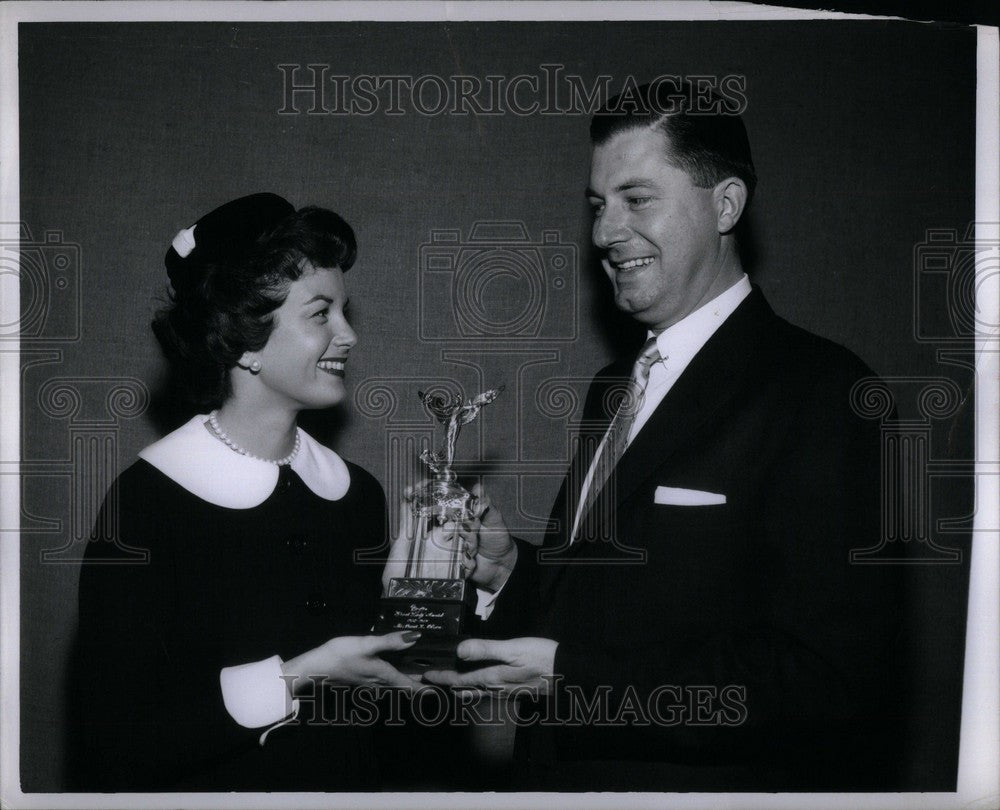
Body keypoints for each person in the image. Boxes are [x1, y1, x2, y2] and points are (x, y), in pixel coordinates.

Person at [425, 83, 906, 791]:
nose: (603, 233)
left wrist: (571, 678)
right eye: (597, 206)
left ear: (726, 205)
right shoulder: (613, 387)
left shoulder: (826, 395)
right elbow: (608, 609)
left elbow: (825, 685)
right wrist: (508, 572)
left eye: (637, 199)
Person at [70, 193, 423, 791]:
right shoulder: (147, 502)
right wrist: (299, 675)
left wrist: (423, 589)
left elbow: (381, 706)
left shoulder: (357, 493)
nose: (349, 335)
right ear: (245, 340)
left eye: (344, 311)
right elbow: (117, 742)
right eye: (321, 314)